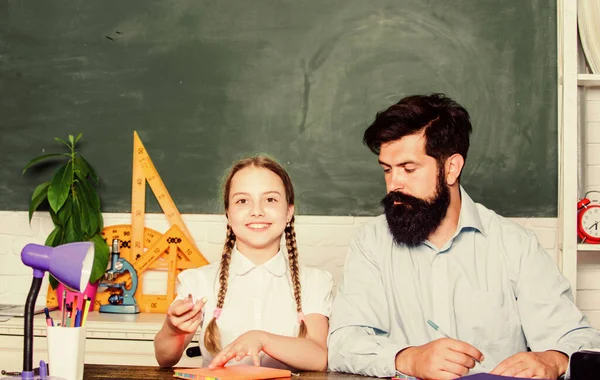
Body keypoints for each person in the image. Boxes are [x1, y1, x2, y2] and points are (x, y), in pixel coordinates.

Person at [327, 94, 600, 379]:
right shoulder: (370, 243)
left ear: (451, 168)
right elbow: (342, 344)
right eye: (387, 169)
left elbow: (579, 339)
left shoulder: (516, 245)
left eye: (408, 169)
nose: (394, 183)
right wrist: (409, 358)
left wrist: (554, 360)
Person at [154, 155, 333, 371]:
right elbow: (165, 358)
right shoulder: (197, 281)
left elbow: (318, 357)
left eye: (270, 200)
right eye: (242, 201)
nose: (256, 211)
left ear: (289, 212)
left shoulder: (314, 282)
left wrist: (262, 339)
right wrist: (172, 329)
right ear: (228, 214)